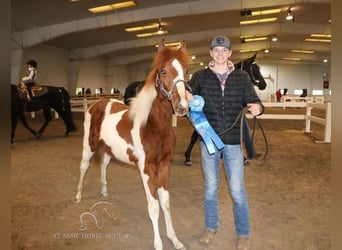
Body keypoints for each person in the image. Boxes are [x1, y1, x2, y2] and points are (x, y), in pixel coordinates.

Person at [186, 36, 264, 250]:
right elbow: (186, 102)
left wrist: (258, 107)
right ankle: (210, 228)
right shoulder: (199, 77)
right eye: (216, 50)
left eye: (224, 50)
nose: (220, 54)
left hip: (232, 142)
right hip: (208, 141)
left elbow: (254, 100)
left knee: (237, 190)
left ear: (230, 53)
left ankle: (243, 233)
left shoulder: (242, 77)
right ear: (210, 53)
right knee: (210, 188)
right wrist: (185, 99)